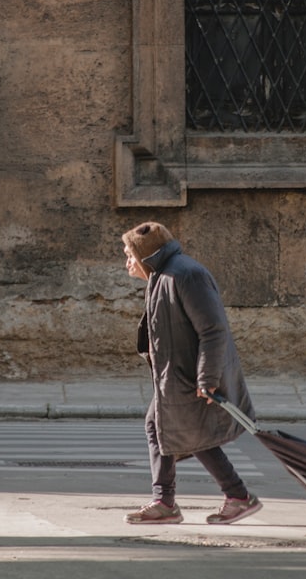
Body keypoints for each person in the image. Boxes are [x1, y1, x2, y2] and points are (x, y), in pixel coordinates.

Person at [120, 221, 262, 524]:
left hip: (190, 376)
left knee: (181, 431)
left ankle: (221, 496)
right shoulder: (163, 275)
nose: (127, 261)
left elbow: (213, 331)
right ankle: (209, 497)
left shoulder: (185, 275)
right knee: (173, 429)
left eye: (129, 254)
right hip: (177, 376)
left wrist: (207, 378)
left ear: (146, 255)